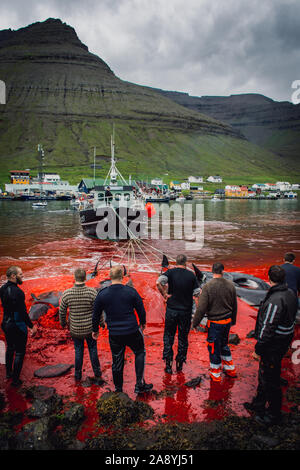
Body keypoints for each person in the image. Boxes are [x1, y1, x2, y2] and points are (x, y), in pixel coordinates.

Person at [244, 265, 298, 425]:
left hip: (273, 344)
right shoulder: (290, 293)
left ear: (269, 279)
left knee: (270, 378)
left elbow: (268, 326)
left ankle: (274, 414)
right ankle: (258, 403)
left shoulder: (276, 300)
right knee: (264, 374)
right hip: (284, 340)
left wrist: (258, 349)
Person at [92, 265, 153, 394]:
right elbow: (140, 309)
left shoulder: (103, 294)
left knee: (117, 360)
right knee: (140, 352)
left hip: (114, 333)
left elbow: (96, 314)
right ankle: (139, 384)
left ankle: (119, 389)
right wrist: (143, 323)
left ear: (110, 277)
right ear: (122, 277)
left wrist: (95, 330)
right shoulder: (131, 291)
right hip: (132, 330)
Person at [192, 262, 237, 382]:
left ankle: (216, 374)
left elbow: (201, 308)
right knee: (224, 345)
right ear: (222, 271)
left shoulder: (207, 286)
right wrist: (233, 320)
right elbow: (234, 305)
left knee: (213, 348)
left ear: (212, 272)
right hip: (227, 321)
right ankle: (230, 369)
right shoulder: (230, 285)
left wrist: (195, 323)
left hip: (215, 323)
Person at [156, 254, 200, 374]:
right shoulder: (191, 275)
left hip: (171, 310)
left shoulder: (170, 273)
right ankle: (180, 364)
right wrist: (197, 314)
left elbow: (158, 282)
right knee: (183, 338)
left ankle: (168, 364)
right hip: (185, 312)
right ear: (186, 263)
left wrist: (164, 294)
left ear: (176, 262)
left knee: (169, 337)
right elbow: (197, 294)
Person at [59, 268, 102, 382]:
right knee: (93, 350)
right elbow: (98, 310)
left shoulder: (67, 293)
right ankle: (97, 372)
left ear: (74, 278)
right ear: (85, 278)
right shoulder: (92, 292)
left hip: (75, 329)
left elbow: (62, 311)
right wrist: (101, 323)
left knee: (78, 351)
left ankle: (78, 375)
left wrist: (63, 323)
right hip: (90, 328)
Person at [0, 266, 37, 386]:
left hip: (5, 323)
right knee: (20, 352)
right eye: (20, 274)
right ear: (13, 276)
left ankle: (8, 373)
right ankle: (15, 380)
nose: (22, 276)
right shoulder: (19, 292)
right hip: (17, 324)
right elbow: (22, 312)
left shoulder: (2, 289)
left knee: (10, 348)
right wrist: (31, 326)